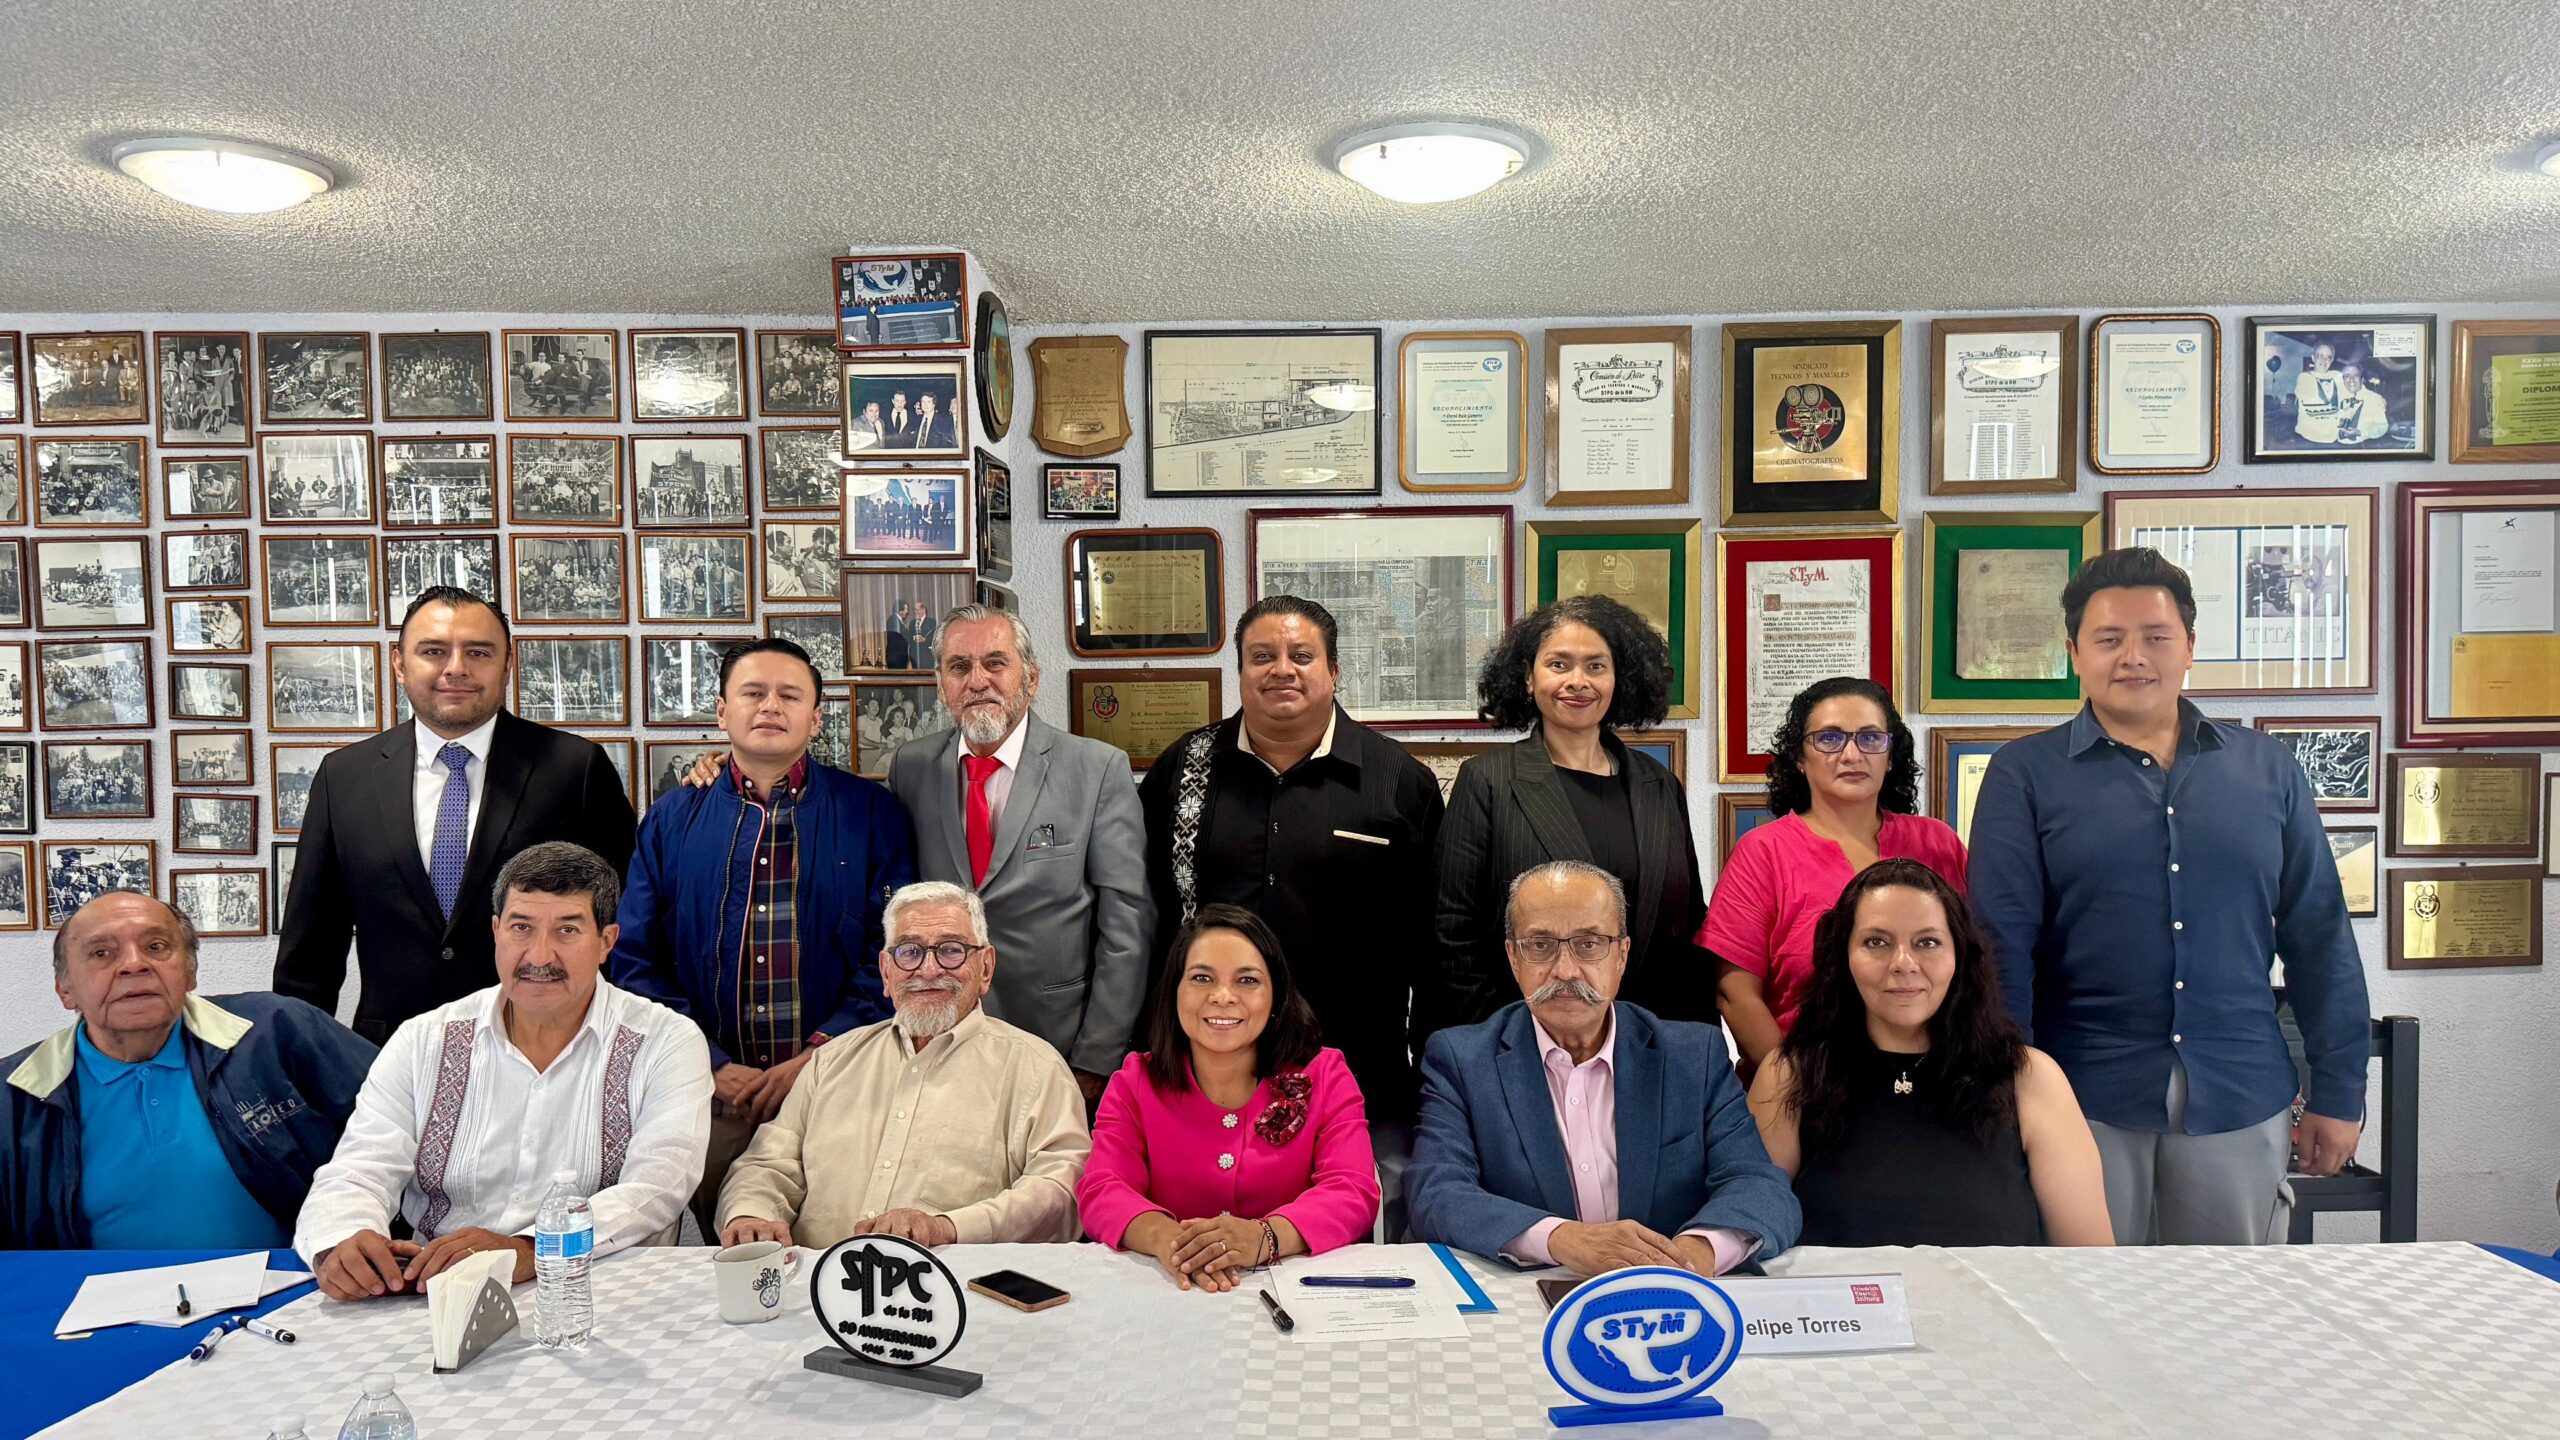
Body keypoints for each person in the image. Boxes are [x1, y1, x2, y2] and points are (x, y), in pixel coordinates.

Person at [1969, 547, 2370, 1246]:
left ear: (2189, 647)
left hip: (2240, 1090)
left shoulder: (2267, 768)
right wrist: (2011, 1096)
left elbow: (2320, 936)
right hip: (2082, 1094)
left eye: (2155, 636)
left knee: (2231, 1302)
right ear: (2074, 653)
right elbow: (2001, 948)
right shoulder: (2022, 775)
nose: (2133, 657)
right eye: (2109, 639)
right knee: (2083, 1300)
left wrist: (2340, 1094)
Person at [1138, 596, 1444, 1222]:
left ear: (1334, 672)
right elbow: (1151, 919)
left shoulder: (1398, 781)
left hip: (1358, 1078)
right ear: (1240, 672)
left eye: (1302, 655)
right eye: (1262, 656)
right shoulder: (1182, 772)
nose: (1282, 669)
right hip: (1209, 1079)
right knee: (1211, 1247)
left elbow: (1429, 942)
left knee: (1348, 1246)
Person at [296, 843, 711, 1299]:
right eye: (521, 927)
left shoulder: (665, 1042)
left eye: (567, 930)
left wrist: (533, 1248)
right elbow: (358, 1169)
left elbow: (658, 1188)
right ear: (496, 931)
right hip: (441, 1295)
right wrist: (343, 1240)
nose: (540, 956)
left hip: (604, 1293)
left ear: (606, 942)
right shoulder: (423, 1041)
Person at [609, 638, 917, 1235]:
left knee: (837, 1246)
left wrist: (821, 1056)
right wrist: (708, 1063)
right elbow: (635, 959)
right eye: (753, 693)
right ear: (723, 712)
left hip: (839, 1091)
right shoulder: (673, 819)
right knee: (733, 1250)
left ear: (816, 718)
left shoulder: (871, 813)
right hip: (712, 1098)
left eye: (789, 695)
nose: (770, 706)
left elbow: (894, 951)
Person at [274, 587, 637, 1044]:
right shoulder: (344, 778)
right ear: (400, 664)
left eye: (479, 652)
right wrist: (297, 1060)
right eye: (433, 651)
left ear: (508, 664)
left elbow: (626, 924)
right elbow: (311, 951)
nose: (456, 668)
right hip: (389, 1053)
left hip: (546, 1047)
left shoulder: (575, 769)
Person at [1406, 861, 1800, 1276]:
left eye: (1589, 944)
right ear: (1513, 958)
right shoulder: (1463, 1060)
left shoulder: (1692, 1056)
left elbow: (1760, 1186)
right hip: (1533, 1294)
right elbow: (1437, 1193)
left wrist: (1694, 1253)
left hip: (1672, 1291)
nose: (1565, 970)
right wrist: (1562, 1239)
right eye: (1540, 945)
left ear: (1621, 956)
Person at [1746, 859, 2113, 1247]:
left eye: (1927, 942)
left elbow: (2089, 1259)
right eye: (1876, 942)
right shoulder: (1790, 1075)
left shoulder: (2031, 1077)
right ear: (1842, 956)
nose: (1903, 964)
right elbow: (1746, 1229)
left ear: (1960, 956)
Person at [718, 883, 1090, 1249]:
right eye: (909, 952)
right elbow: (766, 1164)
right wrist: (751, 1214)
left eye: (951, 950)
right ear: (886, 971)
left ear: (986, 968)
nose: (928, 969)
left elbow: (1060, 1190)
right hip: (818, 1283)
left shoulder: (1035, 1068)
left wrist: (946, 1228)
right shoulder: (831, 1061)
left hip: (954, 1284)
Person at [0, 892, 376, 1249]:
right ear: (65, 989)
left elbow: (401, 1119)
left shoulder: (278, 1031)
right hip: (88, 1290)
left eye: (156, 947)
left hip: (288, 1281)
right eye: (102, 953)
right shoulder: (13, 1095)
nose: (134, 964)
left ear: (190, 971)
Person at [887, 605, 1153, 1095]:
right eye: (959, 667)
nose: (977, 681)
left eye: (995, 663)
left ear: (1030, 679)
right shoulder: (911, 766)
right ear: (941, 684)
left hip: (1058, 1043)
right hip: (939, 1039)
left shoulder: (1095, 770)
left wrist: (1097, 1056)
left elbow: (1127, 926)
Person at [1431, 596, 1708, 1047]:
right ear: (1528, 677)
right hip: (1523, 1044)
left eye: (1596, 666)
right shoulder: (1488, 781)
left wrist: (1690, 1043)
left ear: (1619, 678)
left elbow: (1689, 923)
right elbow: (1453, 931)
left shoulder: (1659, 784)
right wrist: (1498, 1043)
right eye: (1558, 665)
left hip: (1649, 1044)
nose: (1578, 681)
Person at [1078, 905, 1378, 1290]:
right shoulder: (1134, 1081)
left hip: (1291, 1289)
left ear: (1276, 996)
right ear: (1174, 991)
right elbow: (1102, 1188)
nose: (1223, 996)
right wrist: (1169, 1241)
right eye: (1202, 978)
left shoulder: (1326, 1075)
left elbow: (1353, 1189)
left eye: (1247, 980)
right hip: (1172, 1286)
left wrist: (1264, 1237)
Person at [1702, 677, 1967, 1081]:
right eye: (1829, 738)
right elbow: (1735, 993)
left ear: (1890, 756)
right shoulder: (1763, 852)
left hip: (1936, 1083)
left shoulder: (1938, 843)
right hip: (1804, 1085)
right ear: (1799, 757)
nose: (1851, 754)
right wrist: (1793, 1087)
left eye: (1870, 738)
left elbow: (1973, 967)